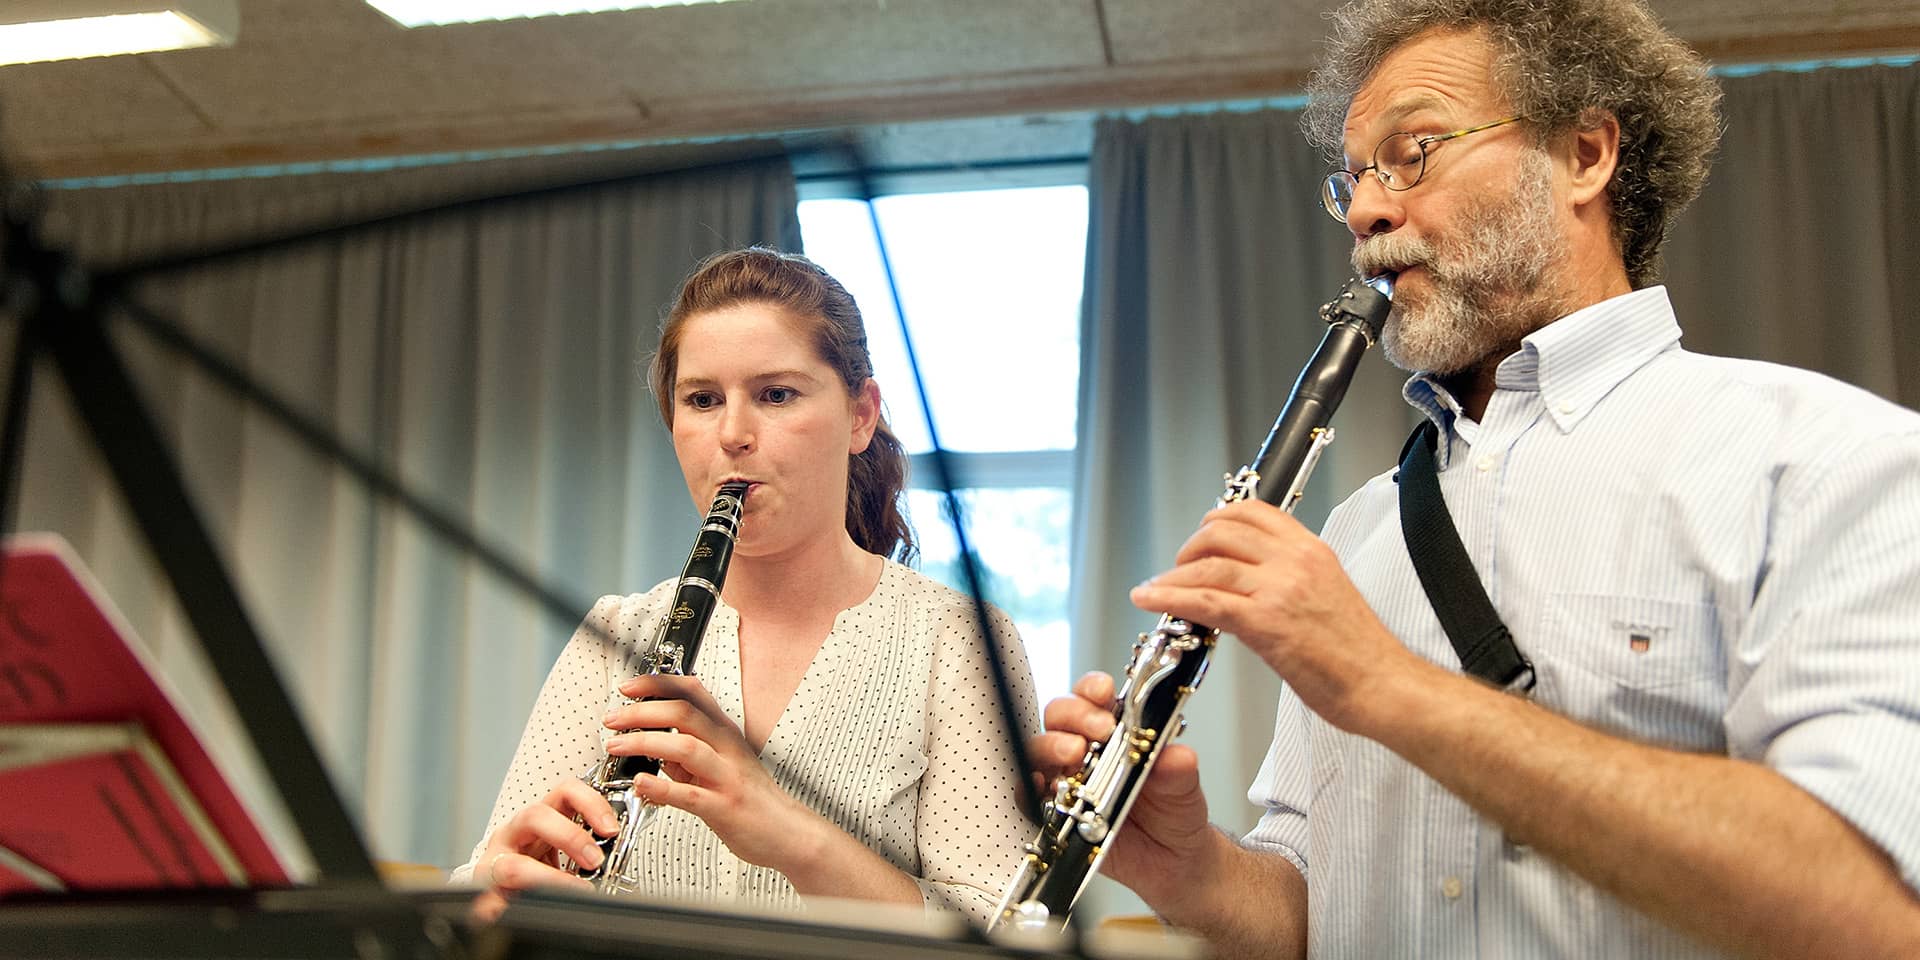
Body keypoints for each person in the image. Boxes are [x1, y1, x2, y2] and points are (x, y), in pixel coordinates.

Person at [1035, 1, 1920, 957]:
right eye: (1353, 181)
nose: (1370, 211)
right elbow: (1313, 914)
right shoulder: (1363, 529)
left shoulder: (1827, 461)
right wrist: (1192, 872)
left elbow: (1869, 908)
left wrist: (1383, 681)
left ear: (1585, 154)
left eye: (1414, 150)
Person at [453, 247, 1038, 925]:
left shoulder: (957, 640)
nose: (732, 434)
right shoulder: (616, 635)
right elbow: (486, 886)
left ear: (860, 415)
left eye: (776, 394)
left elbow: (1000, 931)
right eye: (701, 400)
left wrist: (786, 831)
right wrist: (492, 882)